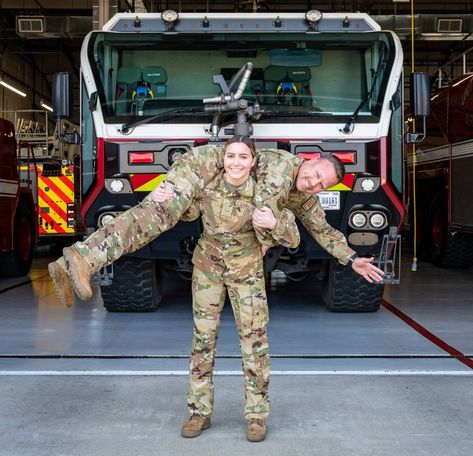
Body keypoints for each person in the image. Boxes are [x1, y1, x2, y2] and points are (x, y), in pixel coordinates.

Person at [49, 142, 384, 309]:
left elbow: (324, 231)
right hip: (202, 167)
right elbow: (262, 213)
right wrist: (273, 234)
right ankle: (84, 258)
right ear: (309, 161)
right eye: (314, 175)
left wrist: (352, 259)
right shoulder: (283, 169)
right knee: (161, 213)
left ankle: (67, 265)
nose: (313, 184)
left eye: (321, 185)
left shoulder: (303, 195)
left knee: (177, 214)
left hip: (214, 190)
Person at [152, 136, 298, 442]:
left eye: (243, 157)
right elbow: (186, 210)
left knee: (254, 342)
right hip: (208, 270)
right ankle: (199, 413)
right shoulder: (207, 184)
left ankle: (256, 416)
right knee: (203, 340)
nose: (235, 162)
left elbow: (293, 237)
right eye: (230, 156)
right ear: (223, 159)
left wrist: (274, 224)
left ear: (254, 161)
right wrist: (165, 194)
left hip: (247, 272)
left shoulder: (265, 190)